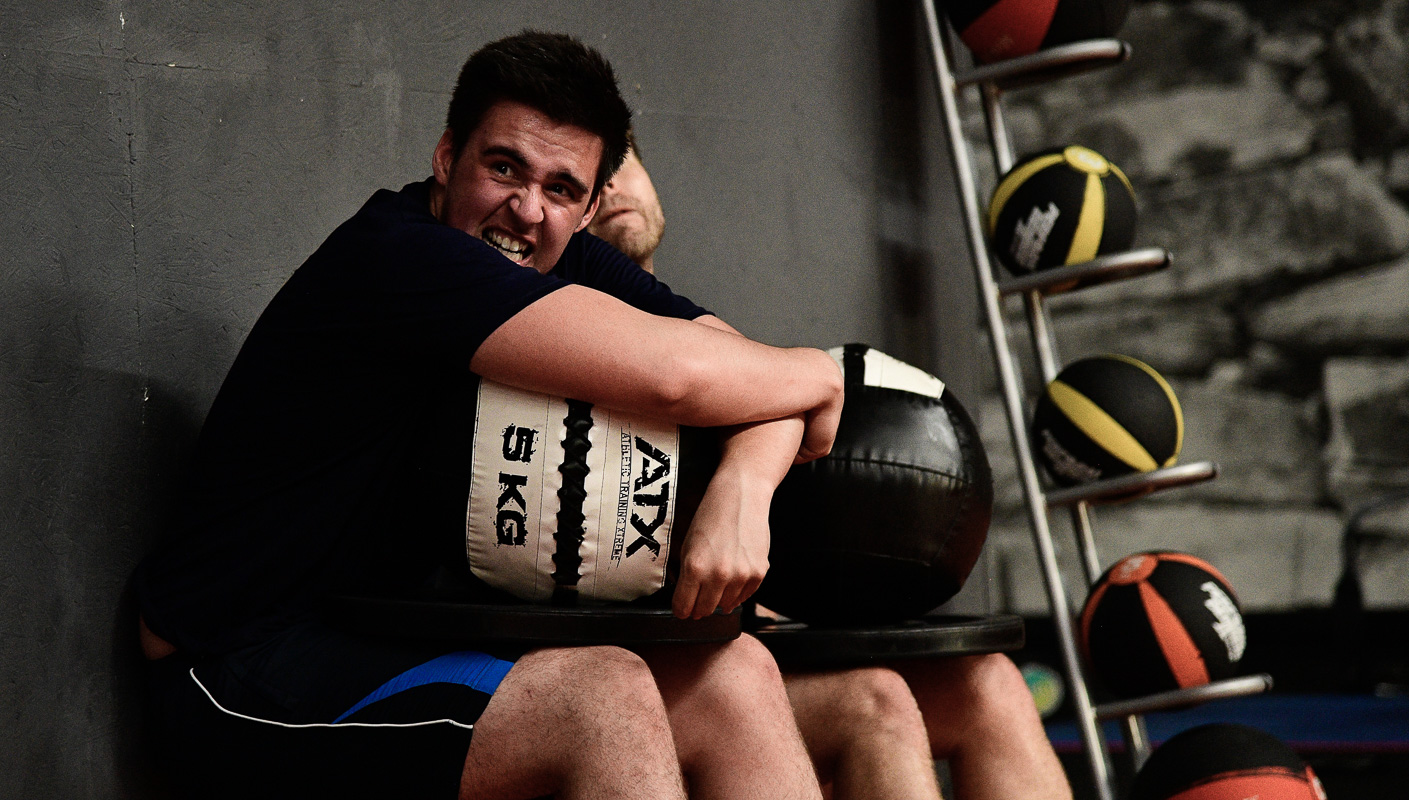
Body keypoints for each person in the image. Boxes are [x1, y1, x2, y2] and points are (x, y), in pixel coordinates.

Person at [132, 32, 842, 800]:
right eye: (503, 167)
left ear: (592, 205)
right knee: (604, 699)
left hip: (377, 637)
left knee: (734, 674)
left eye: (561, 188)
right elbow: (684, 380)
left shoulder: (554, 252)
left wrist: (745, 483)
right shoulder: (404, 258)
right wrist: (822, 370)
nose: (527, 207)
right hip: (232, 675)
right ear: (446, 158)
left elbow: (752, 378)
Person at [588, 141, 1075, 800]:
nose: (613, 184)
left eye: (623, 159)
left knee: (986, 684)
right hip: (628, 672)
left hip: (727, 649)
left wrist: (753, 492)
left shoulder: (700, 341)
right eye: (583, 178)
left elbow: (803, 385)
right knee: (874, 703)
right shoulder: (550, 343)